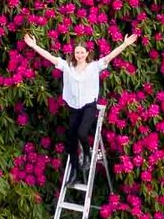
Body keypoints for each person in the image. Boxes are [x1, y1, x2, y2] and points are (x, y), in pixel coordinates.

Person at [22, 30, 138, 186]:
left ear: (87, 53)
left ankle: (88, 153)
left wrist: (124, 44)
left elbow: (111, 56)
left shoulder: (94, 66)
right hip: (74, 107)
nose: (79, 55)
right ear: (74, 53)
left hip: (89, 106)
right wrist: (35, 46)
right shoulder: (67, 66)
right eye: (77, 52)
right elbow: (49, 57)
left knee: (82, 132)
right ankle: (75, 173)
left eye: (82, 52)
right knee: (70, 140)